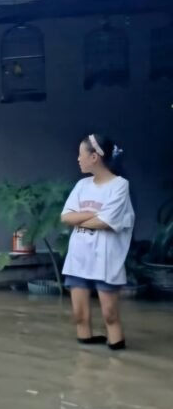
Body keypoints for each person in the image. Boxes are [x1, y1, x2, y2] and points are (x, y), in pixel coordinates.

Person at [60, 134, 134, 350]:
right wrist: (93, 215)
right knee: (79, 316)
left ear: (94, 157)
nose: (78, 159)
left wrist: (82, 216)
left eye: (81, 155)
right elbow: (66, 217)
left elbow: (105, 222)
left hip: (106, 258)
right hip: (79, 257)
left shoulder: (120, 185)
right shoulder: (82, 185)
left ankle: (116, 357)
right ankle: (85, 360)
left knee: (110, 315)